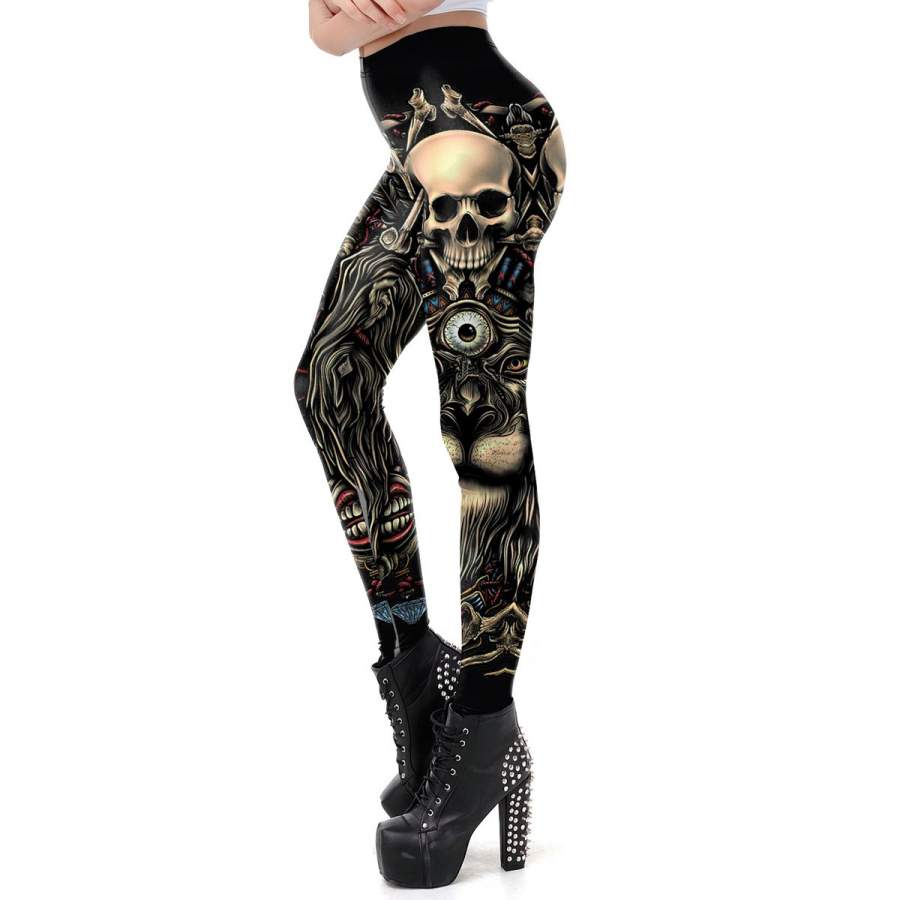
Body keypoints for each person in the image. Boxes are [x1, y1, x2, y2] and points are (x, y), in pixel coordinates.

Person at [296, 0, 565, 886]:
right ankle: (419, 684)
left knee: (484, 432)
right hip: (421, 154)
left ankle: (483, 724)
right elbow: (325, 29)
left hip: (490, 139)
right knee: (331, 380)